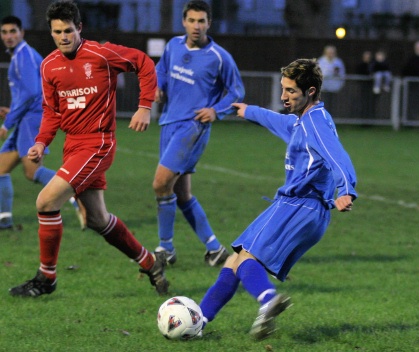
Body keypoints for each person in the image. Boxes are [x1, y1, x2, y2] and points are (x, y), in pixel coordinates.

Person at [9, 0, 169, 297]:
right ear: (51, 32)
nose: (63, 37)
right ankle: (150, 262)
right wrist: (42, 142)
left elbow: (143, 63)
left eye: (68, 30)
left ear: (79, 28)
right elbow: (52, 111)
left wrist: (144, 106)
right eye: (57, 32)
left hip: (98, 143)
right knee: (97, 219)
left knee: (45, 202)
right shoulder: (49, 66)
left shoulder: (101, 54)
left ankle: (47, 278)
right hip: (73, 145)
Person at [196, 58, 357, 340]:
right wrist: (250, 111)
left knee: (247, 258)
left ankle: (268, 300)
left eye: (291, 91)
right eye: (283, 89)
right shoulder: (304, 120)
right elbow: (282, 123)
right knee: (233, 261)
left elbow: (338, 156)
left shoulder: (315, 124)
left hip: (301, 205)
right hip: (297, 206)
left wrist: (346, 190)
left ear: (310, 92)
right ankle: (198, 321)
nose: (283, 96)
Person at [152, 0, 244, 266]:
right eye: (192, 20)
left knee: (160, 184)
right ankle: (214, 249)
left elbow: (237, 91)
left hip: (192, 128)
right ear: (184, 22)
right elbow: (162, 70)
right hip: (169, 123)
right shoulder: (173, 46)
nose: (196, 26)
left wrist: (216, 111)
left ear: (209, 24)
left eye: (201, 21)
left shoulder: (219, 57)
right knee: (181, 194)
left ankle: (166, 248)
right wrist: (158, 86)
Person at [0, 15, 84, 231]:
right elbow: (29, 93)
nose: (9, 36)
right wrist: (14, 113)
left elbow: (31, 92)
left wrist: (7, 122)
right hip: (27, 118)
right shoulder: (20, 55)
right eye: (4, 32)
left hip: (32, 120)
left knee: (33, 171)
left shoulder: (23, 56)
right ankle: (4, 220)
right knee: (1, 168)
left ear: (22, 33)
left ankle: (76, 196)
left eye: (13, 31)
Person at [317, 45, 345, 114]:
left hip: (334, 88)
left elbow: (342, 74)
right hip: (323, 88)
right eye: (329, 52)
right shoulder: (321, 61)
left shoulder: (338, 62)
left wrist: (340, 85)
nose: (331, 54)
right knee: (323, 106)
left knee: (333, 106)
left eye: (332, 52)